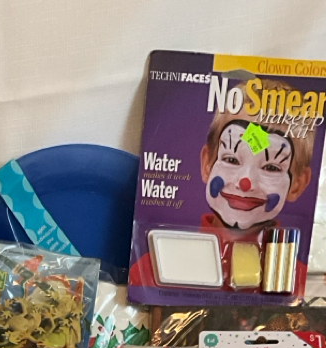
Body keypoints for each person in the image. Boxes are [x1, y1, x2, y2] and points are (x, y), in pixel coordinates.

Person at [130, 79, 316, 296]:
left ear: (297, 184)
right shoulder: (152, 267)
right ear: (207, 164)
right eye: (232, 160)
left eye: (271, 167)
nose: (245, 182)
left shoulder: (301, 282)